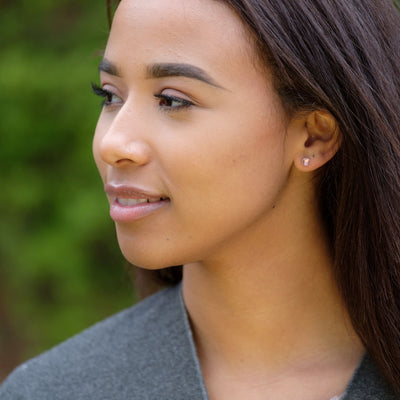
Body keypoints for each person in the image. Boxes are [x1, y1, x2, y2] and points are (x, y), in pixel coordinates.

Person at [1, 0, 400, 398]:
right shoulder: (49, 391)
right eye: (109, 96)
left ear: (314, 135)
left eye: (172, 100)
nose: (111, 143)